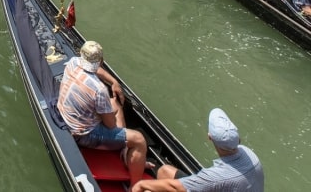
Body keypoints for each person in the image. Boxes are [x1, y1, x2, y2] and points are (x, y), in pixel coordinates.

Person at [57, 41, 148, 188]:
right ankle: (136, 186)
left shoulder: (73, 62)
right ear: (101, 61)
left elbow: (96, 70)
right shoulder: (99, 89)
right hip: (84, 135)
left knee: (113, 104)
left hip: (67, 118)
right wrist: (104, 113)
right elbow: (110, 125)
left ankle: (124, 150)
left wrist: (113, 81)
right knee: (138, 139)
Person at [130, 108, 263, 191]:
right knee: (165, 171)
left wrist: (141, 185)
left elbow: (176, 187)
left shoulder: (213, 178)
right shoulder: (250, 154)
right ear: (238, 140)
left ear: (209, 137)